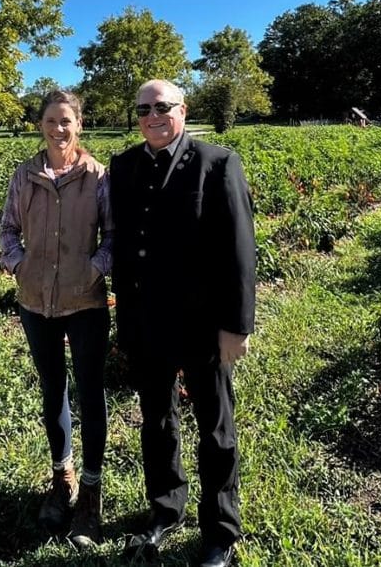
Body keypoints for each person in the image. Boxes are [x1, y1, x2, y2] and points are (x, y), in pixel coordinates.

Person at [110, 79, 256, 567]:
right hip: (146, 324)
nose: (152, 115)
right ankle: (165, 507)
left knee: (215, 429)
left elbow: (239, 251)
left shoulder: (217, 163)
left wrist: (236, 326)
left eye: (162, 106)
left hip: (202, 324)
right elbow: (126, 251)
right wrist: (125, 322)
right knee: (157, 422)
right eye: (143, 108)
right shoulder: (124, 165)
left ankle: (220, 531)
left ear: (182, 110)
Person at [0, 90, 112, 549]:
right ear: (40, 125)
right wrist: (17, 263)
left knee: (90, 389)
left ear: (79, 125)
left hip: (85, 303)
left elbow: (114, 237)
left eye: (66, 120)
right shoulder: (24, 176)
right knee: (52, 388)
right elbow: (7, 227)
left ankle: (91, 490)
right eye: (50, 120)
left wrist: (94, 268)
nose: (58, 128)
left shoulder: (98, 176)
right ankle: (61, 477)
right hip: (34, 302)